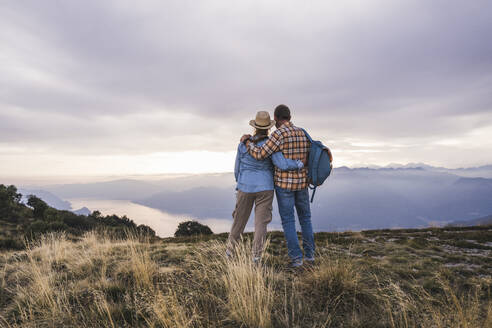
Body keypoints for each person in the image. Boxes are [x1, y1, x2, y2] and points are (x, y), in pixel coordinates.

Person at [240, 104, 313, 268]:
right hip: (302, 184)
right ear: (290, 117)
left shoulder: (278, 134)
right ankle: (310, 257)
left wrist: (247, 143)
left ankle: (297, 260)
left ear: (276, 118)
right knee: (306, 219)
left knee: (288, 221)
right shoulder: (302, 132)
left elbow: (260, 154)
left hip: (284, 185)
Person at [227, 111, 304, 263]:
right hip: (265, 188)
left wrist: (240, 185)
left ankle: (229, 253)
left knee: (238, 222)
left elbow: (237, 169)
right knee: (261, 224)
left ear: (254, 127)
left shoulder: (243, 144)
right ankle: (256, 257)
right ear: (269, 128)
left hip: (245, 186)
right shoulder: (270, 144)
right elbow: (281, 164)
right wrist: (298, 163)